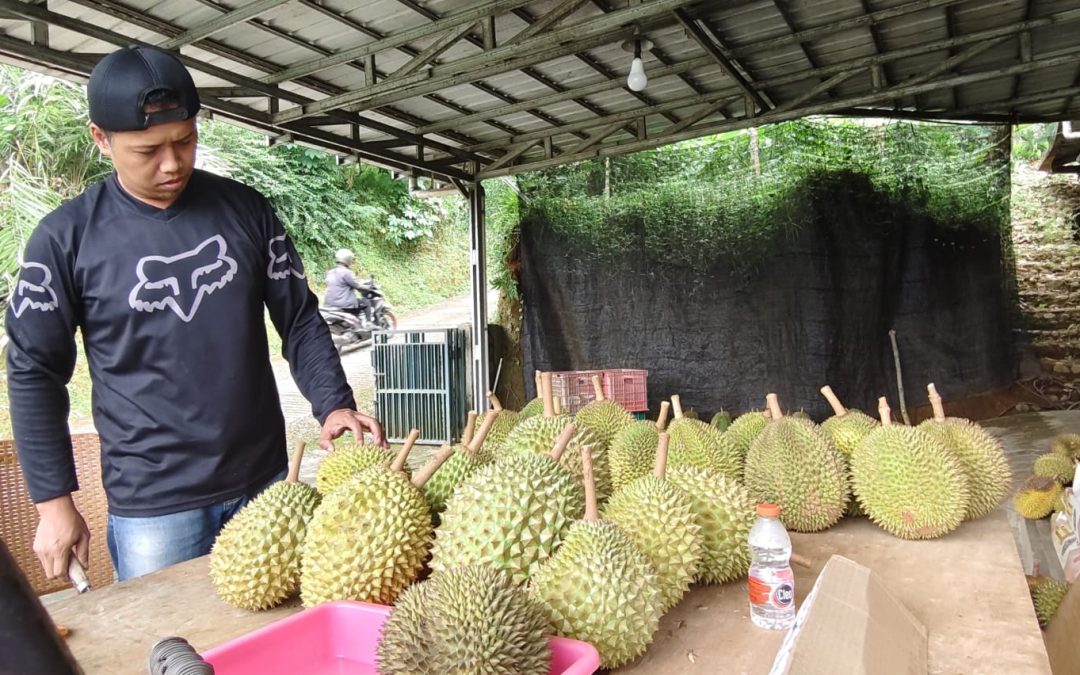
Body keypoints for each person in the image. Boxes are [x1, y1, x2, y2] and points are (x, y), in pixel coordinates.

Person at [5, 45, 387, 583]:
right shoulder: (64, 239)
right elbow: (34, 373)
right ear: (101, 138)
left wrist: (333, 405)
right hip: (155, 505)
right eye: (148, 150)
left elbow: (298, 317)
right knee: (175, 651)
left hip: (265, 481)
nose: (171, 163)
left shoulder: (246, 209)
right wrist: (53, 501)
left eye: (185, 140)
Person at [323, 247, 373, 324]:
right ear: (348, 260)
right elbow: (357, 286)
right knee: (365, 301)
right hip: (345, 305)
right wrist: (368, 287)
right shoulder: (346, 272)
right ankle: (369, 323)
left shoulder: (331, 272)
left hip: (329, 304)